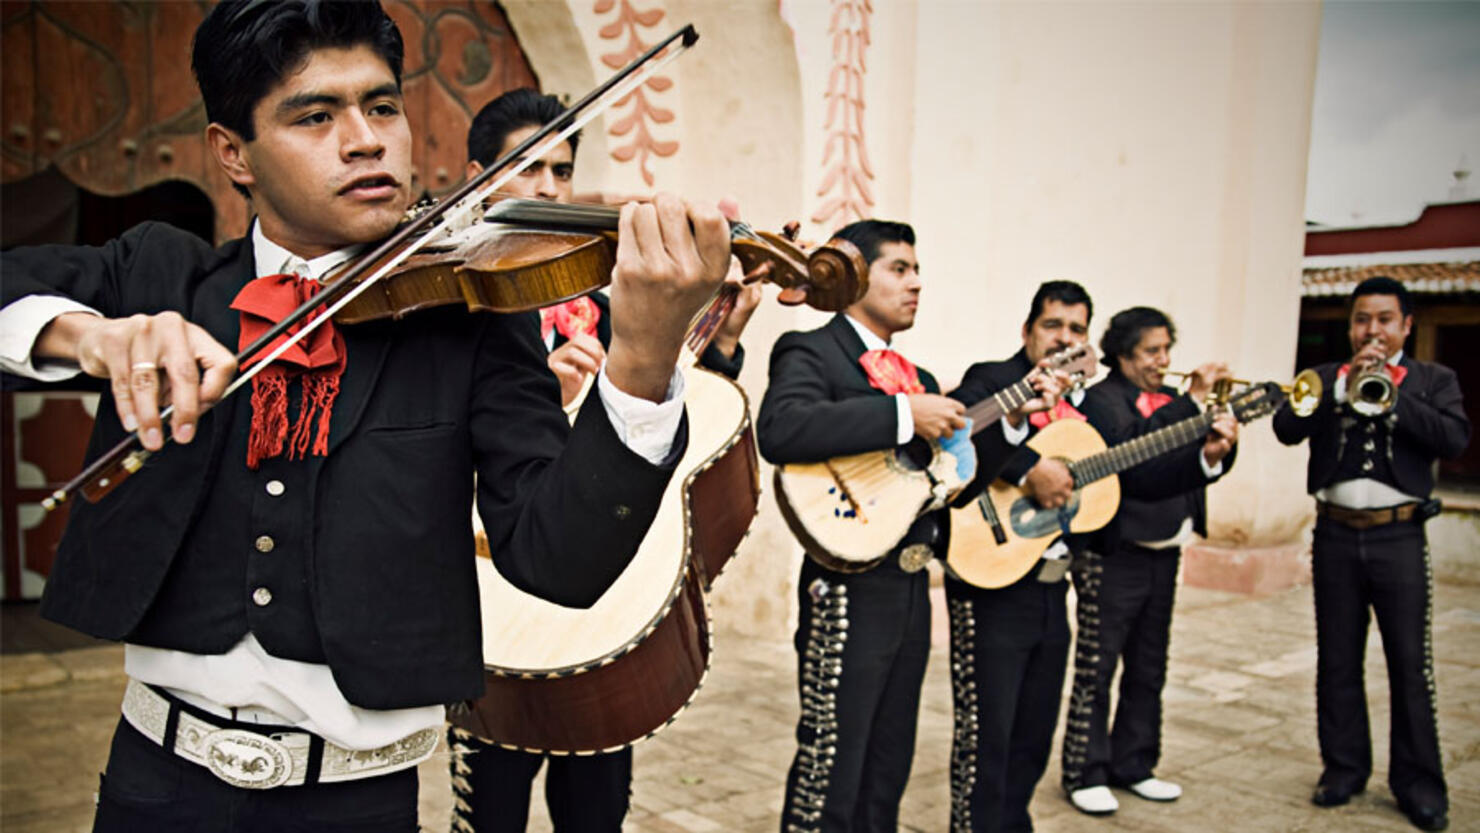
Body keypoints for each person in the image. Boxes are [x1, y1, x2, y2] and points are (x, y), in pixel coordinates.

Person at [0, 3, 730, 831]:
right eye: (316, 115)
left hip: (361, 804)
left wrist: (642, 357)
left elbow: (560, 562)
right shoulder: (160, 274)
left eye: (382, 106)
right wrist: (86, 333)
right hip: (156, 788)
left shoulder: (475, 317)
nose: (366, 138)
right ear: (231, 154)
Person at [445, 87, 759, 833]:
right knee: (490, 802)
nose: (547, 189)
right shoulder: (462, 296)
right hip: (494, 580)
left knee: (596, 803)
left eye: (560, 170)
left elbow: (658, 415)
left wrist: (714, 341)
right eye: (526, 169)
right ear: (478, 173)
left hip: (594, 586)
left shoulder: (601, 292)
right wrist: (538, 394)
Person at [756, 220, 1061, 832]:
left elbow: (948, 490)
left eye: (918, 270)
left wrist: (1013, 423)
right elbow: (782, 429)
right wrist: (900, 413)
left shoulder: (917, 378)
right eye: (899, 268)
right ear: (855, 274)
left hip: (912, 587)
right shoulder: (811, 349)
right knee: (832, 761)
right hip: (846, 583)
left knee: (888, 761)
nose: (916, 283)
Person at [1273, 277, 1468, 832]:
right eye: (1362, 319)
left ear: (1406, 325)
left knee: (1410, 664)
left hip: (1399, 537)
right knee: (1336, 659)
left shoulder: (1435, 379)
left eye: (1384, 319)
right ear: (1350, 325)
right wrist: (1341, 388)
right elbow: (1287, 426)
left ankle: (1419, 784)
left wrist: (1392, 395)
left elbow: (1453, 440)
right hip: (1334, 535)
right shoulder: (1325, 377)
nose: (1372, 330)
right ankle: (1343, 768)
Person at [1058, 306, 1239, 817]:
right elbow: (1132, 458)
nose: (1163, 361)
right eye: (1151, 351)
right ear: (1122, 354)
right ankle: (1085, 771)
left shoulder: (1175, 402)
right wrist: (1191, 402)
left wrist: (1218, 449)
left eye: (1166, 350)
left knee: (1149, 665)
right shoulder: (1102, 400)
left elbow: (1186, 465)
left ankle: (1134, 763)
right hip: (1115, 552)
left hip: (1166, 547)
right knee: (1098, 665)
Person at [944, 280, 1093, 832]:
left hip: (1055, 585)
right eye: (1053, 325)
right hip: (991, 581)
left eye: (1076, 329)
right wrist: (1030, 468)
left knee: (1035, 731)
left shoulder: (1089, 405)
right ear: (1027, 331)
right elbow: (967, 431)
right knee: (988, 734)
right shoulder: (992, 377)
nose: (1064, 338)